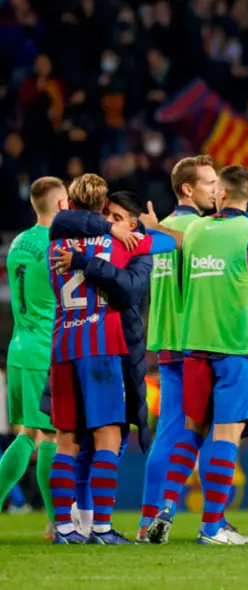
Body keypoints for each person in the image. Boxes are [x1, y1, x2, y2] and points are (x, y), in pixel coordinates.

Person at [147, 165, 248, 546]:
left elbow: (175, 252)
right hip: (238, 348)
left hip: (194, 347)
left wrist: (151, 228)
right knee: (226, 434)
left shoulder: (195, 230)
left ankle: (164, 510)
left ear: (222, 193)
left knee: (191, 432)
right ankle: (211, 527)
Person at [47, 174, 177, 545]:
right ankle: (102, 528)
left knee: (66, 441)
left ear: (71, 203)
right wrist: (145, 228)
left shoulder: (54, 242)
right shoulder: (121, 242)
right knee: (108, 437)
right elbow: (169, 243)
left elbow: (63, 222)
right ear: (103, 206)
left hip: (63, 344)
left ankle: (65, 527)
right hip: (101, 346)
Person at [133, 155, 236, 541]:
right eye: (209, 183)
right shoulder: (202, 228)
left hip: (166, 341)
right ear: (188, 188)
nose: (216, 190)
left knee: (171, 431)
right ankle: (214, 521)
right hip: (198, 342)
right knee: (212, 431)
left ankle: (148, 520)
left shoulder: (161, 228)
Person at [0, 177, 67, 538]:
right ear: (61, 205)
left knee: (28, 434)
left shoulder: (17, 243)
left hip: (19, 347)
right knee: (51, 435)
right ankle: (57, 522)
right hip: (44, 350)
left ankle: (55, 520)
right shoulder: (57, 246)